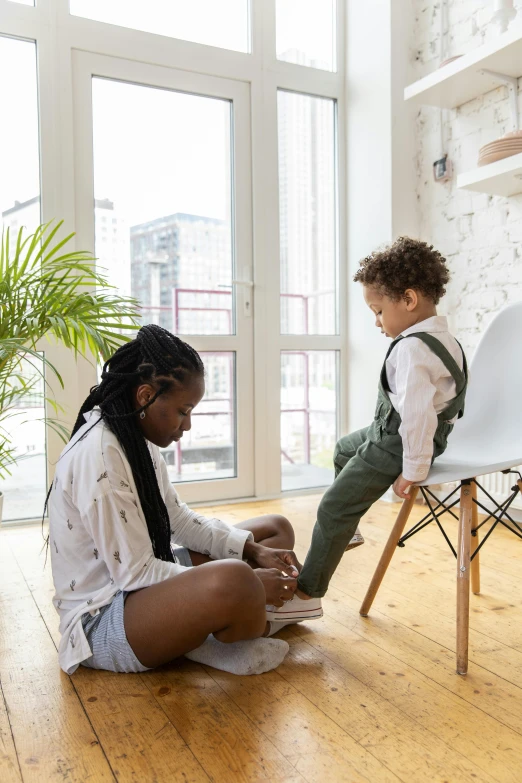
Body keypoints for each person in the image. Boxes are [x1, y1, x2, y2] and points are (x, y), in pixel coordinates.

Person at [49, 324, 301, 677]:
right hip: (103, 620)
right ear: (145, 396)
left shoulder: (134, 437)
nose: (188, 426)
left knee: (274, 530)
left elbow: (177, 521)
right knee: (237, 580)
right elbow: (136, 572)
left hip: (142, 583)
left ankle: (209, 631)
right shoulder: (101, 455)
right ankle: (228, 629)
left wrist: (252, 551)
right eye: (184, 411)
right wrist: (253, 582)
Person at [268, 236, 468, 622]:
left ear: (408, 300)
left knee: (332, 506)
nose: (376, 323)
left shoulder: (412, 349)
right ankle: (350, 530)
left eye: (378, 311)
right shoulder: (445, 340)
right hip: (394, 432)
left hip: (399, 443)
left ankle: (308, 594)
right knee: (344, 449)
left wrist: (413, 471)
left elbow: (417, 418)